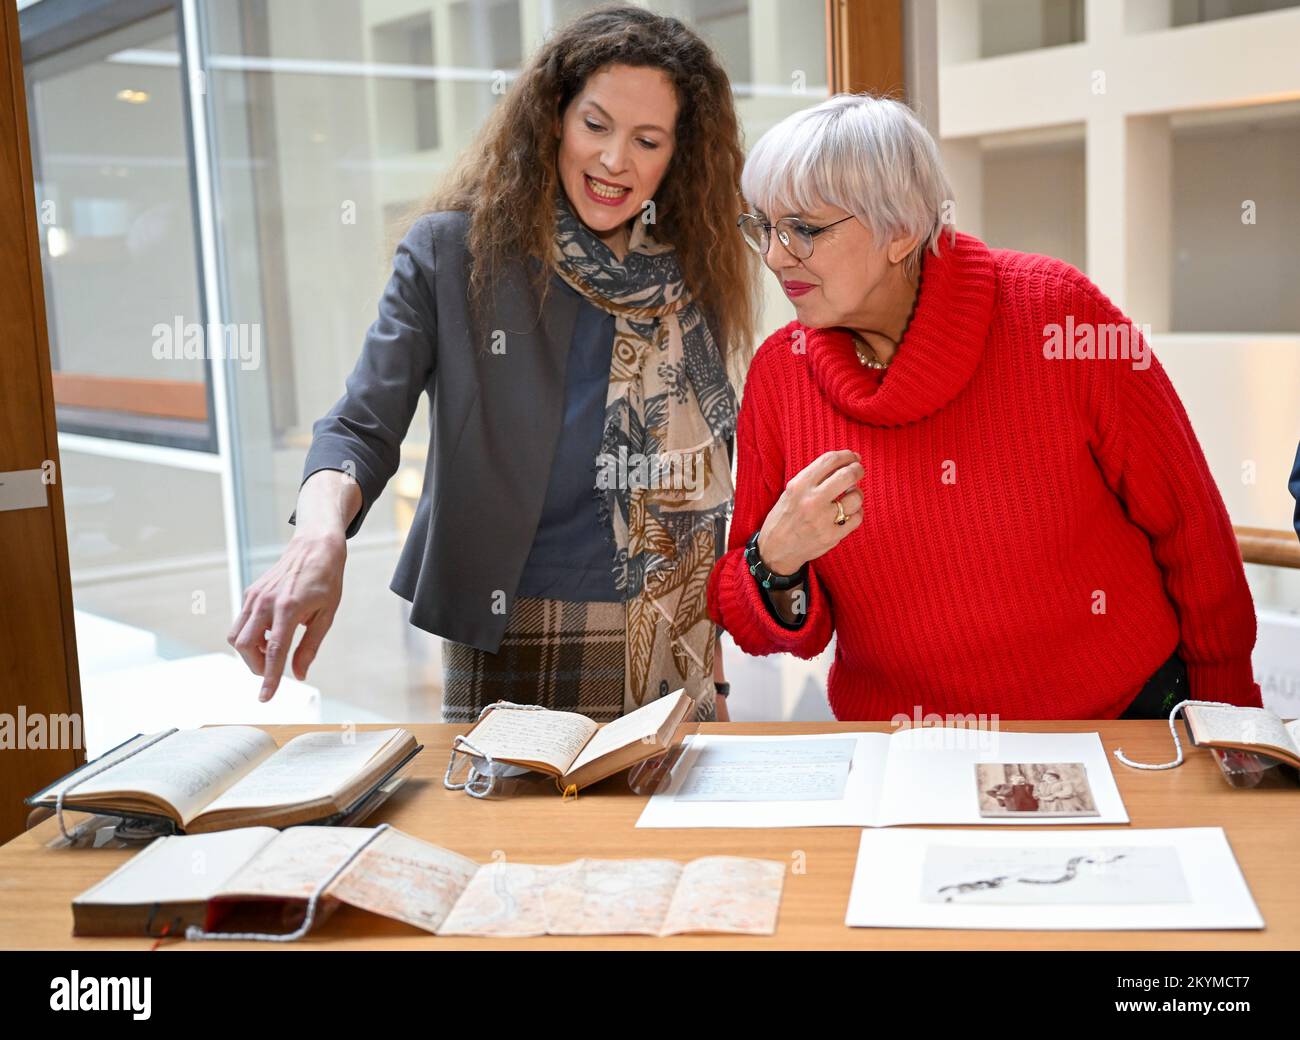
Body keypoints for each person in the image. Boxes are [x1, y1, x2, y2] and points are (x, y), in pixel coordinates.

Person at [229, 6, 757, 724]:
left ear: (677, 156)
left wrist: (715, 681)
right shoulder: (452, 254)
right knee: (519, 839)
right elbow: (360, 425)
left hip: (672, 635)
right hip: (513, 630)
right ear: (553, 119)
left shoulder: (688, 280)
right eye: (595, 125)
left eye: (647, 140)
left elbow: (702, 505)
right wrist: (318, 533)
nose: (613, 161)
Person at [708, 93, 1262, 721]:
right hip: (906, 750)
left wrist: (1230, 713)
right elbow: (756, 625)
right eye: (764, 227)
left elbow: (1190, 521)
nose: (776, 256)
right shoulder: (781, 374)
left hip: (1120, 723)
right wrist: (776, 559)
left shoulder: (1057, 313)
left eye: (803, 229)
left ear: (901, 230)